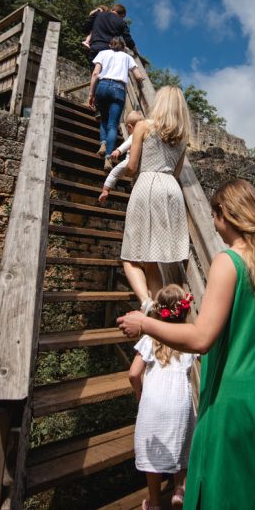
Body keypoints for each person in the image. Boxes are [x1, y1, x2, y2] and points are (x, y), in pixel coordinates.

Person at [117, 178, 255, 510]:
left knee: (230, 496)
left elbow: (201, 338)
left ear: (224, 213)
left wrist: (145, 324)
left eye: (214, 215)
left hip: (232, 402)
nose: (213, 223)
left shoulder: (228, 263)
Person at [120, 85, 191, 312]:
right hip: (170, 188)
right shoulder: (182, 138)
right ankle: (161, 306)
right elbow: (177, 172)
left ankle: (146, 302)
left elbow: (132, 168)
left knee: (131, 256)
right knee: (153, 257)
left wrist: (119, 171)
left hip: (147, 185)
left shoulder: (142, 126)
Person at [129, 283, 198, 510]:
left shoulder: (149, 339)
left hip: (153, 401)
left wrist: (139, 393)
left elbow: (133, 373)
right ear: (185, 310)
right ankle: (179, 490)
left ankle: (155, 503)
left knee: (153, 451)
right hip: (179, 400)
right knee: (181, 441)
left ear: (158, 311)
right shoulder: (188, 341)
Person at [88, 39, 144, 171]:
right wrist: (141, 80)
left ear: (110, 45)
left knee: (104, 119)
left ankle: (103, 143)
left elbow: (95, 73)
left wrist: (91, 93)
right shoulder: (127, 57)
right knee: (113, 124)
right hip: (118, 88)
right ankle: (108, 158)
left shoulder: (103, 53)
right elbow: (138, 75)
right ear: (124, 48)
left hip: (102, 86)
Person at [98, 110, 144, 201]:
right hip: (142, 163)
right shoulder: (145, 136)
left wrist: (118, 151)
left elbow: (127, 144)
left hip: (130, 161)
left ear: (130, 127)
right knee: (136, 180)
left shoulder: (135, 135)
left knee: (114, 173)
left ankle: (105, 190)